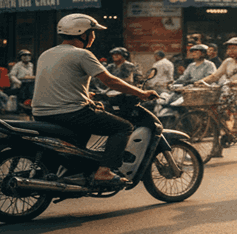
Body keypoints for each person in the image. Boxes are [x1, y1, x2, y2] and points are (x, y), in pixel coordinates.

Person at [32, 14, 157, 185]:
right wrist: (140, 93)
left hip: (40, 114)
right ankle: (104, 172)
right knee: (123, 127)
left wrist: (88, 95)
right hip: (70, 113)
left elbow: (60, 82)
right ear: (83, 34)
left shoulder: (45, 54)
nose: (94, 37)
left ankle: (75, 169)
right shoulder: (82, 54)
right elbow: (109, 80)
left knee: (82, 135)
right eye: (92, 32)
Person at [196, 37, 237, 156]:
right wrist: (201, 81)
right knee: (220, 106)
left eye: (233, 48)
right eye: (229, 48)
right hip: (231, 89)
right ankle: (228, 130)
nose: (230, 51)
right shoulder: (227, 62)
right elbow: (215, 76)